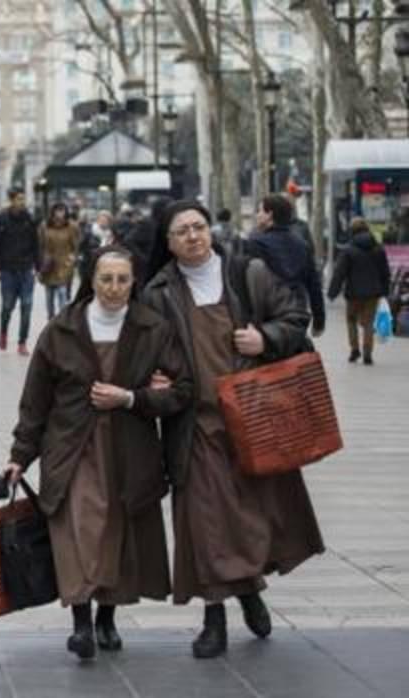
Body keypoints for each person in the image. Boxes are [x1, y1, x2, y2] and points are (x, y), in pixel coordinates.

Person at [142, 200, 325, 659]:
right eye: (181, 230)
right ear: (168, 242)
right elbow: (146, 353)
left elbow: (295, 319)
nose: (192, 236)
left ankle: (248, 593)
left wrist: (266, 338)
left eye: (198, 226)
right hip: (195, 424)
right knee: (206, 523)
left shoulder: (249, 273)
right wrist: (155, 379)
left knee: (251, 519)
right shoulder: (159, 292)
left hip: (253, 417)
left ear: (210, 230)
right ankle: (215, 618)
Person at [2, 246, 192, 660]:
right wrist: (20, 455)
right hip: (71, 449)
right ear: (91, 279)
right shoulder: (61, 330)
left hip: (128, 450)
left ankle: (107, 618)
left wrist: (130, 398)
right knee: (80, 532)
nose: (114, 288)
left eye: (123, 279)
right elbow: (35, 400)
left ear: (134, 282)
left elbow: (182, 390)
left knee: (117, 534)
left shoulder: (153, 328)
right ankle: (82, 624)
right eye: (106, 278)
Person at [247, 194, 326, 338]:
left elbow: (249, 283)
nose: (257, 215)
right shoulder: (302, 245)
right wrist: (319, 320)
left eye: (259, 211)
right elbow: (314, 285)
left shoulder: (256, 243)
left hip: (267, 314)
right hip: (297, 311)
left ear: (269, 214)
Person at [328, 218, 391, 365]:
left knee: (351, 320)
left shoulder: (348, 250)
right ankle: (367, 353)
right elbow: (385, 272)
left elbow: (339, 273)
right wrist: (385, 291)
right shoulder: (378, 249)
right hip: (373, 293)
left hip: (353, 293)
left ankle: (354, 349)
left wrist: (332, 292)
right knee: (368, 323)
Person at [0, 189, 40, 355]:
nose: (22, 202)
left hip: (26, 270)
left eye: (23, 199)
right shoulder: (1, 219)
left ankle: (22, 342)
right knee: (7, 306)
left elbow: (36, 244)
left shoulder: (30, 219)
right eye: (19, 199)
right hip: (8, 270)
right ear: (11, 200)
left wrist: (38, 267)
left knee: (27, 306)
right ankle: (3, 332)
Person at [39, 202, 80, 319]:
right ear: (52, 212)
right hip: (48, 265)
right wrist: (40, 263)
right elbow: (40, 245)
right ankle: (51, 322)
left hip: (64, 265)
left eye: (62, 210)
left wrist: (72, 260)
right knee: (49, 298)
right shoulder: (44, 226)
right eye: (57, 210)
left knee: (62, 294)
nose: (60, 213)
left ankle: (63, 321)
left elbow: (76, 246)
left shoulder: (72, 226)